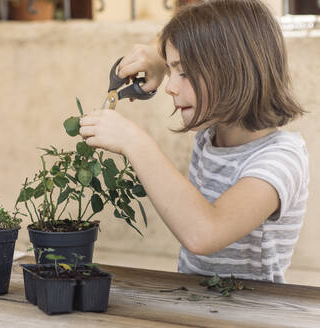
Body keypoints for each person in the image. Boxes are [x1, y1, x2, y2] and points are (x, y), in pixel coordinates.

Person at [79, 0, 309, 283]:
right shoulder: (212, 135)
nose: (170, 86)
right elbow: (206, 13)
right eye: (172, 70)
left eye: (184, 72)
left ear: (234, 70)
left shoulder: (281, 160)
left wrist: (133, 141)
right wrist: (156, 55)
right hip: (195, 303)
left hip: (252, 314)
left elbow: (205, 233)